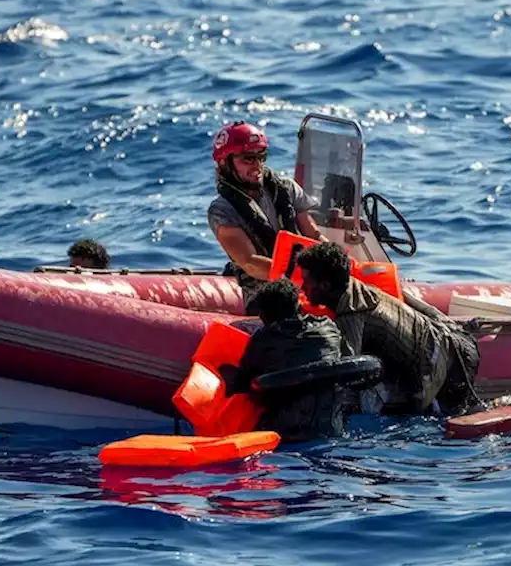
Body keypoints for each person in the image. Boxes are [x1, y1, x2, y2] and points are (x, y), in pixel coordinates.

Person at [296, 241, 482, 417]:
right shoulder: (360, 289)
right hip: (457, 344)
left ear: (325, 285)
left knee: (361, 400)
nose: (302, 287)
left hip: (447, 368)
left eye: (307, 281)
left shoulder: (351, 315)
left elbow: (347, 375)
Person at [206, 121, 327, 314]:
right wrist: (298, 277)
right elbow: (250, 262)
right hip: (265, 296)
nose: (257, 165)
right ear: (225, 163)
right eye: (248, 159)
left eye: (261, 156)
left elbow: (313, 235)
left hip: (309, 285)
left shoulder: (287, 188)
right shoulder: (222, 210)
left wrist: (334, 264)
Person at [225, 278, 352, 441]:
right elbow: (347, 359)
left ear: (263, 317)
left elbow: (240, 384)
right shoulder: (330, 328)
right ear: (299, 306)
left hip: (284, 435)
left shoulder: (264, 339)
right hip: (332, 429)